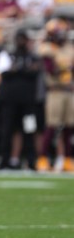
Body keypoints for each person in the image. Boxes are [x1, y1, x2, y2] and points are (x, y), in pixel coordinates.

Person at [0, 30, 42, 170]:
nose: (21, 42)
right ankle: (5, 161)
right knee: (7, 130)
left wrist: (18, 70)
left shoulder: (32, 57)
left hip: (28, 103)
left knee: (29, 129)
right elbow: (4, 72)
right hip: (10, 102)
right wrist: (21, 70)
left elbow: (34, 71)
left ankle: (31, 161)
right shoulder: (7, 55)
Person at [37, 22, 74, 172]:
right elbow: (52, 69)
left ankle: (67, 159)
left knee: (69, 127)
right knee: (52, 125)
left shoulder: (69, 48)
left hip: (69, 91)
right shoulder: (47, 48)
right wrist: (66, 67)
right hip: (55, 91)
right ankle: (43, 159)